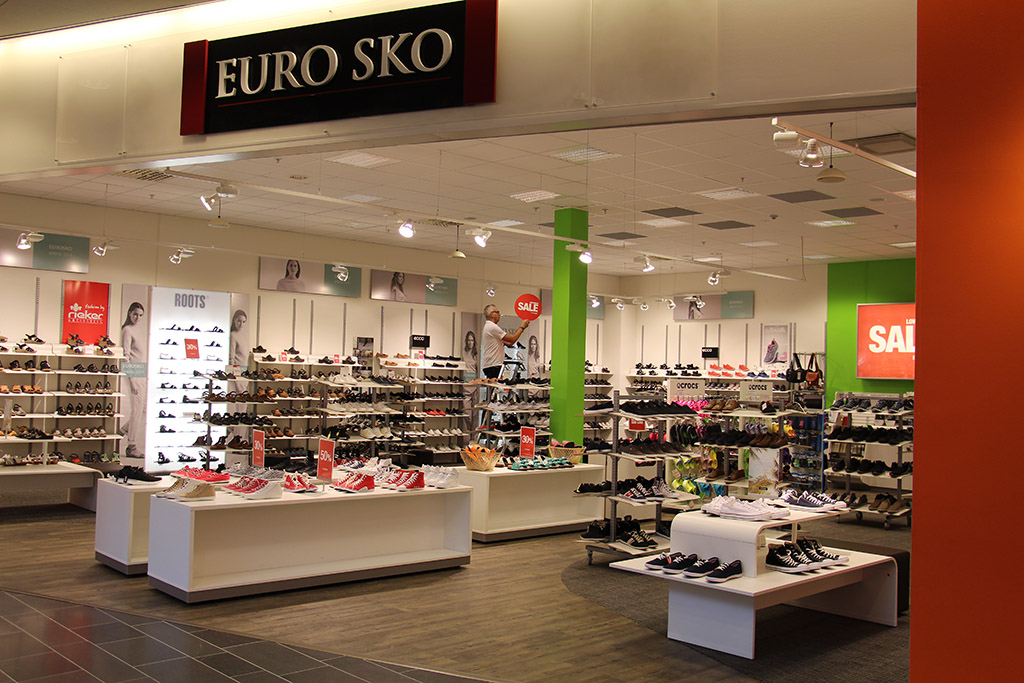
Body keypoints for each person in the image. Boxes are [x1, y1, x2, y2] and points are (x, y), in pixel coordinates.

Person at [120, 302, 146, 460]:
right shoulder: (127, 330)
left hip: (141, 372)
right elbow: (126, 356)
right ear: (129, 313)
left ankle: (122, 431)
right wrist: (132, 381)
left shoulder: (138, 330)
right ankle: (132, 446)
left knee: (143, 410)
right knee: (137, 410)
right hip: (133, 373)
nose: (138, 318)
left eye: (140, 315)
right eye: (135, 314)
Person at [481, 304, 529, 379]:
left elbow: (510, 343)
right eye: (498, 312)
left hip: (493, 364)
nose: (499, 314)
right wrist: (522, 327)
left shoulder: (488, 326)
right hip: (494, 365)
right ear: (492, 314)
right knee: (494, 385)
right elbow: (512, 339)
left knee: (494, 384)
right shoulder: (492, 327)